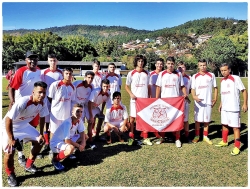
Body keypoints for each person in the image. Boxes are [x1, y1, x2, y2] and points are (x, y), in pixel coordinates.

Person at [2, 81, 49, 187]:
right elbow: (8, 120)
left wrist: (41, 133)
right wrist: (11, 138)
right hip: (9, 127)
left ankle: (28, 165)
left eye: (44, 93)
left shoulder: (43, 102)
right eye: (39, 92)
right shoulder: (23, 102)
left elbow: (42, 117)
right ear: (33, 92)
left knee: (40, 142)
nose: (42, 95)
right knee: (9, 152)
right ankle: (10, 174)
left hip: (24, 126)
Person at [8, 50, 41, 166]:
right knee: (19, 133)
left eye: (35, 58)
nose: (33, 61)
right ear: (26, 60)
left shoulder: (39, 71)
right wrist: (12, 102)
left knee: (33, 129)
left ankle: (33, 151)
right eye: (30, 59)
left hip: (34, 106)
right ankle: (21, 155)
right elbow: (11, 88)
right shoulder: (21, 71)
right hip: (22, 107)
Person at [215, 63, 248, 155]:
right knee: (224, 124)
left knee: (235, 127)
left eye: (225, 70)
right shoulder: (222, 81)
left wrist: (245, 103)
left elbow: (244, 91)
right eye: (221, 71)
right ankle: (224, 141)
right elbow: (223, 94)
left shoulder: (235, 78)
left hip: (233, 108)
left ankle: (237, 147)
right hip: (225, 108)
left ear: (229, 70)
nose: (223, 72)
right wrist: (221, 104)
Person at [155, 56, 188, 148]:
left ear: (174, 64)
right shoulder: (162, 74)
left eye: (172, 64)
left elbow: (182, 86)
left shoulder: (178, 74)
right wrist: (157, 99)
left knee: (176, 120)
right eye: (168, 64)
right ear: (166, 64)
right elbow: (158, 87)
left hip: (176, 102)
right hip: (164, 101)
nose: (170, 65)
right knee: (163, 120)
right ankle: (162, 137)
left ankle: (177, 138)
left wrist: (185, 94)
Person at [39, 53, 63, 156]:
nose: (53, 62)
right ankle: (47, 144)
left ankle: (56, 142)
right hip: (46, 101)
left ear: (57, 61)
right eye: (51, 60)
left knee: (57, 121)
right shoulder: (44, 72)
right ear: (48, 61)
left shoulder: (60, 72)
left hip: (57, 102)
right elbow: (41, 86)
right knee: (46, 122)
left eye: (54, 60)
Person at [50, 104, 87, 171]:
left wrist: (83, 143)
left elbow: (82, 132)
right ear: (72, 112)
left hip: (67, 139)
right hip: (57, 142)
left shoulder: (79, 120)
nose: (79, 113)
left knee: (85, 136)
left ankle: (68, 153)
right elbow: (67, 141)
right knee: (70, 148)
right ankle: (55, 160)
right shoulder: (68, 122)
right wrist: (79, 146)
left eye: (81, 111)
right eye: (77, 111)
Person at [125, 55, 152, 146]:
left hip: (144, 100)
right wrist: (131, 94)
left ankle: (145, 137)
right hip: (134, 100)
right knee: (132, 119)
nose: (141, 63)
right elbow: (126, 86)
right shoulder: (131, 73)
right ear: (136, 62)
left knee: (144, 118)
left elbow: (149, 86)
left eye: (142, 61)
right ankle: (131, 137)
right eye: (139, 61)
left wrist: (149, 97)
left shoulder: (147, 73)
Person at [191, 59, 218, 145]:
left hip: (207, 102)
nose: (203, 67)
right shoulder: (194, 76)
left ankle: (205, 136)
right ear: (198, 66)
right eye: (201, 65)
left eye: (204, 65)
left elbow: (215, 88)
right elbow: (192, 89)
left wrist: (215, 98)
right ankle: (197, 136)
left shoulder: (211, 75)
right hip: (198, 102)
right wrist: (194, 97)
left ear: (206, 65)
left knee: (206, 120)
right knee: (197, 120)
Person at [48, 67, 76, 137]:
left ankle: (62, 147)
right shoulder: (55, 85)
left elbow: (72, 100)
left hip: (66, 115)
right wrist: (56, 106)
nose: (68, 75)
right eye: (66, 73)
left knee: (64, 132)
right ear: (63, 74)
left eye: (70, 74)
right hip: (56, 114)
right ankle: (52, 147)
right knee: (53, 132)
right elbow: (49, 97)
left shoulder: (73, 87)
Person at [86, 79, 111, 148]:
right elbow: (89, 103)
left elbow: (104, 102)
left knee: (101, 117)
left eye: (107, 86)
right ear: (101, 86)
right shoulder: (96, 91)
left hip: (96, 107)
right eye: (104, 86)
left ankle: (97, 136)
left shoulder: (108, 93)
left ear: (109, 86)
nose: (105, 88)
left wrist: (101, 111)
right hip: (88, 107)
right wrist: (91, 115)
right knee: (91, 121)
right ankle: (90, 141)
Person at [149, 58, 164, 141]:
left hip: (162, 99)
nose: (159, 65)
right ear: (155, 64)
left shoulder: (164, 74)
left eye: (161, 64)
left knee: (161, 115)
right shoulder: (151, 74)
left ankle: (160, 131)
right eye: (158, 64)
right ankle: (154, 131)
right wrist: (151, 97)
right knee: (153, 116)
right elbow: (149, 87)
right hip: (153, 98)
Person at [177, 61, 192, 143]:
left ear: (185, 68)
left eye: (183, 67)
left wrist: (186, 95)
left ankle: (187, 136)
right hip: (176, 102)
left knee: (185, 120)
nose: (181, 69)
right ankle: (177, 136)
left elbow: (190, 90)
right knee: (177, 119)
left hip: (185, 102)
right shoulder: (175, 76)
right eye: (179, 67)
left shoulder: (189, 78)